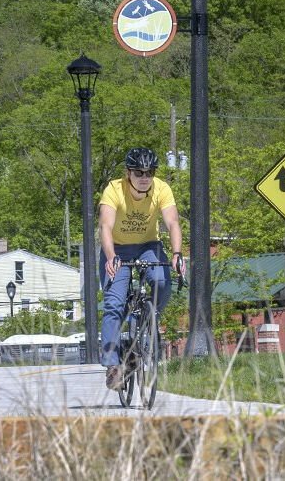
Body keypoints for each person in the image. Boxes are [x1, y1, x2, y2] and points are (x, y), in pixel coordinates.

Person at [98, 147, 185, 390]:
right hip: (116, 247)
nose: (145, 176)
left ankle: (144, 320)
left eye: (150, 171)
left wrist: (177, 254)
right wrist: (111, 256)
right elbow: (105, 226)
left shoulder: (161, 189)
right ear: (128, 173)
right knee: (114, 304)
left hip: (148, 246)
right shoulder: (114, 190)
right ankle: (114, 365)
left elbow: (173, 222)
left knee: (162, 282)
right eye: (139, 172)